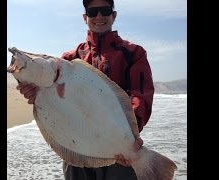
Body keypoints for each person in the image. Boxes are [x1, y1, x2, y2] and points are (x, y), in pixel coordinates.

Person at [16, 0, 155, 179]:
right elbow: (55, 103)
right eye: (92, 12)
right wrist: (35, 94)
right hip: (77, 147)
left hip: (119, 154)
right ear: (85, 17)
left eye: (104, 10)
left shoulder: (134, 53)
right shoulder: (68, 59)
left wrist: (128, 140)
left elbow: (141, 95)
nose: (99, 16)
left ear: (114, 15)